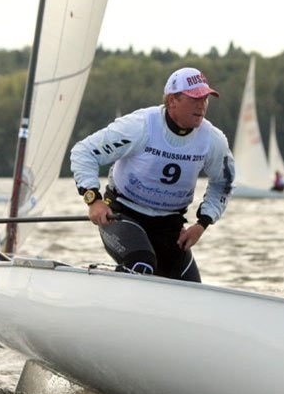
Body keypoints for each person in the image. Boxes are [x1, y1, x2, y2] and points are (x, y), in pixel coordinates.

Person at [70, 66, 235, 282]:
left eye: (205, 99)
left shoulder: (213, 140)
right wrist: (94, 200)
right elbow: (84, 152)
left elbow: (223, 183)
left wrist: (202, 224)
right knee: (141, 264)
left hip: (170, 225)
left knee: (191, 289)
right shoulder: (140, 126)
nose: (201, 105)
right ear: (172, 100)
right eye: (195, 98)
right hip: (122, 214)